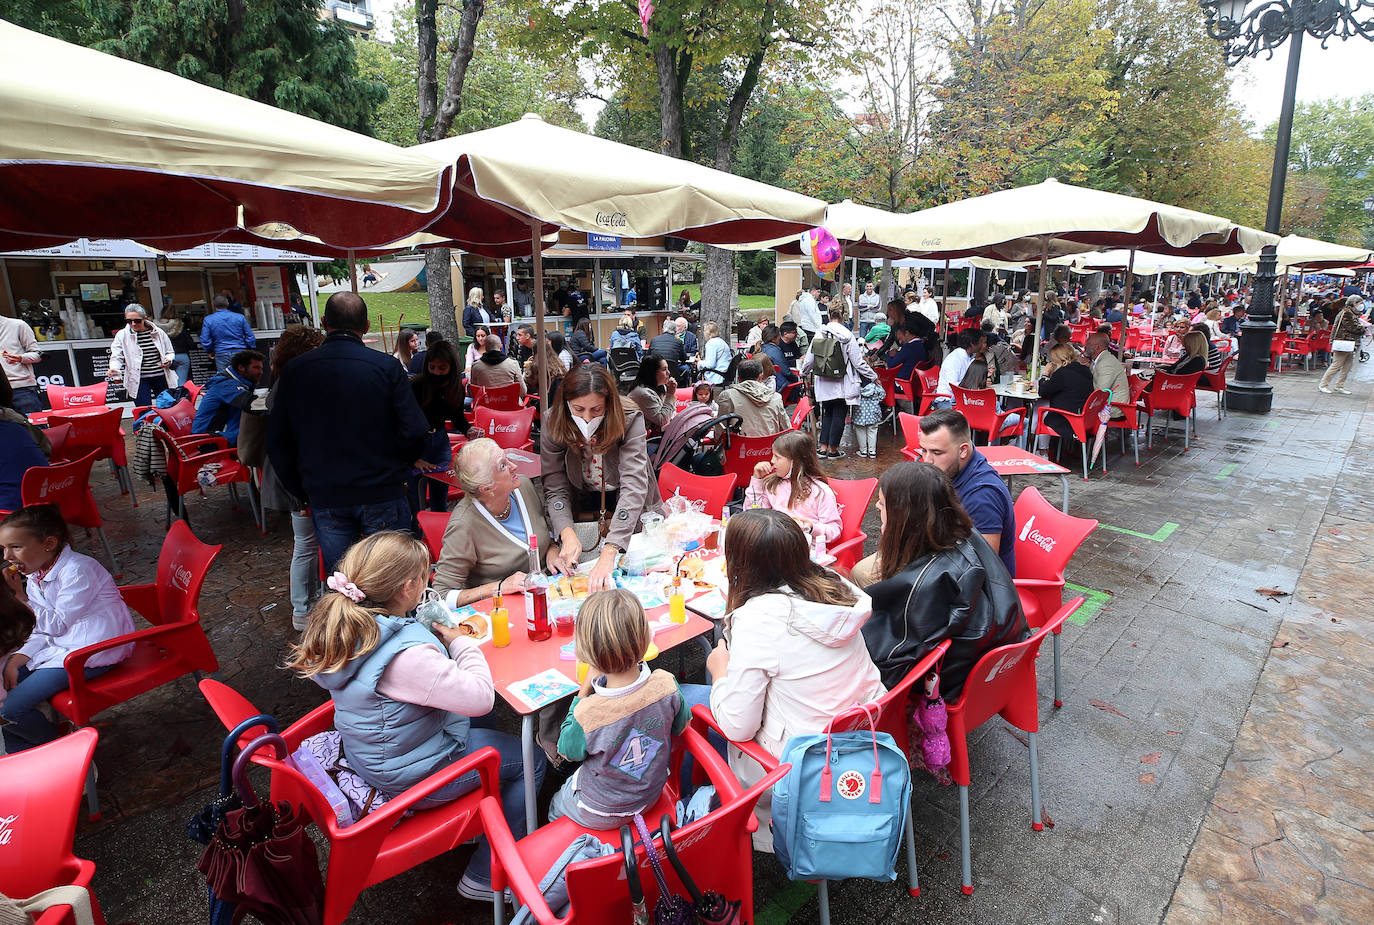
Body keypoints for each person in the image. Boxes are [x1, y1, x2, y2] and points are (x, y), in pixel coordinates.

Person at [285, 531, 541, 902]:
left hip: (373, 754)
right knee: (528, 761)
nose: (430, 580)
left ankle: (483, 822)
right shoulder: (406, 656)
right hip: (409, 774)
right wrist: (458, 641)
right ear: (407, 588)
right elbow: (483, 697)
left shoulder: (354, 626)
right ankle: (486, 875)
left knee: (480, 725)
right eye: (425, 576)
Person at [693, 510, 885, 849]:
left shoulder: (759, 619)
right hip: (855, 742)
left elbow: (738, 727)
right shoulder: (833, 588)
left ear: (741, 565)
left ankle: (701, 821)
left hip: (798, 769)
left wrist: (720, 670)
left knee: (679, 702)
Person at [268, 292, 428, 571]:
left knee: (344, 582)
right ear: (365, 327)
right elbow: (414, 430)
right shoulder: (386, 367)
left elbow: (278, 441)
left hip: (328, 492)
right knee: (391, 579)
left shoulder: (295, 370)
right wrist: (398, 469)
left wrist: (302, 489)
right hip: (380, 489)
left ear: (323, 322)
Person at [858, 462, 1026, 696]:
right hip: (984, 657)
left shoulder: (923, 586)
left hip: (948, 682)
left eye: (883, 504)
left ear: (904, 516)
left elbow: (886, 661)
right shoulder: (966, 535)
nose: (876, 506)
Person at [0, 504, 135, 752]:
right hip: (64, 647)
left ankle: (63, 750)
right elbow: (39, 628)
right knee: (2, 686)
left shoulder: (78, 571)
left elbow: (58, 624)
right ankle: (22, 755)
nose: (7, 556)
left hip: (92, 652)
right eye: (4, 548)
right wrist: (17, 660)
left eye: (16, 547)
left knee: (10, 708)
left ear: (48, 544)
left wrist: (21, 600)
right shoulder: (35, 576)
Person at [551, 589, 689, 828]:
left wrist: (583, 693)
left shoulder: (588, 713)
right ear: (645, 639)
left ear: (586, 653)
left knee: (554, 805)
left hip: (601, 811)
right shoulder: (666, 684)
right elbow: (682, 726)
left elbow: (566, 751)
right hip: (650, 796)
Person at [541, 365, 661, 591]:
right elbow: (554, 484)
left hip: (627, 502)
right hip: (582, 499)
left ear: (608, 404)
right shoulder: (553, 421)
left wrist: (610, 549)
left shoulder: (629, 418)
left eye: (596, 410)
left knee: (630, 578)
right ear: (566, 404)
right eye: (578, 409)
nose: (587, 418)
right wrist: (566, 533)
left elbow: (634, 486)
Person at [258, 327, 326, 631]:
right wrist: (300, 493)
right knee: (306, 544)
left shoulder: (284, 377)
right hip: (297, 479)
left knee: (306, 543)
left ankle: (307, 604)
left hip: (296, 477)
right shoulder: (292, 382)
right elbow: (290, 442)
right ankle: (302, 609)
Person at [432, 438, 552, 604]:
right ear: (487, 488)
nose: (514, 466)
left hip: (548, 595)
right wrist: (499, 587)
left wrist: (553, 551)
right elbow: (441, 595)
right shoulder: (464, 524)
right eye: (503, 465)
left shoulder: (523, 486)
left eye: (507, 458)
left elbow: (544, 534)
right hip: (502, 611)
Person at [915, 409, 1016, 577]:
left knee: (868, 576)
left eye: (937, 452)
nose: (927, 460)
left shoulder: (982, 496)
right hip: (947, 564)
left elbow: (983, 568)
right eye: (924, 450)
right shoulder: (953, 470)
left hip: (980, 591)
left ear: (963, 450)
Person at [409, 340, 477, 516]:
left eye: (442, 368)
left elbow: (457, 416)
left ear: (451, 368)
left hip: (440, 440)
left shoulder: (455, 387)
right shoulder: (417, 385)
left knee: (440, 496)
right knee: (417, 499)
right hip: (416, 443)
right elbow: (404, 421)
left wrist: (468, 430)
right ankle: (418, 534)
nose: (436, 372)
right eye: (432, 367)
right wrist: (413, 458)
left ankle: (438, 532)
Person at [801, 305, 876, 459]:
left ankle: (822, 448)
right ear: (843, 317)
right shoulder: (847, 335)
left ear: (829, 315)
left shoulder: (819, 333)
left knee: (827, 412)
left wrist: (803, 373)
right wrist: (873, 376)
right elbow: (858, 363)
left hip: (823, 380)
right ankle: (833, 450)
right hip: (842, 381)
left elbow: (810, 358)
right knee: (839, 415)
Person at [743, 430, 842, 545]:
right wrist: (757, 480)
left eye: (777, 457)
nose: (772, 461)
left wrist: (812, 527)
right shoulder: (772, 485)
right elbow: (752, 514)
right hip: (775, 545)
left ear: (796, 462)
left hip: (807, 550)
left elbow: (834, 529)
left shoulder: (820, 491)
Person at [191, 348, 264, 446]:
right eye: (256, 368)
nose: (261, 372)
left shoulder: (239, 383)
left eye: (261, 368)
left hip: (220, 435)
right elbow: (250, 403)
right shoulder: (226, 385)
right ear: (241, 367)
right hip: (207, 441)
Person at [107, 305, 176, 406]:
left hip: (161, 376)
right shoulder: (122, 335)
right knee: (143, 410)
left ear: (145, 318)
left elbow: (169, 352)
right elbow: (117, 355)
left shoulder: (158, 332)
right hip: (139, 379)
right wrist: (114, 368)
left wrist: (168, 360)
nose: (133, 324)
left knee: (166, 407)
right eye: (129, 321)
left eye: (137, 321)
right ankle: (144, 422)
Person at [1035, 344, 1095, 454]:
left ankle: (1043, 451)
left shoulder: (1062, 373)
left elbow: (1043, 391)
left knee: (1040, 411)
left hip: (1068, 420)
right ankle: (1045, 449)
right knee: (1043, 407)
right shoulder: (1085, 370)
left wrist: (1045, 374)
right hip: (1085, 419)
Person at [714, 358, 785, 438]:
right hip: (770, 447)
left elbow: (720, 429)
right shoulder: (776, 397)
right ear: (760, 377)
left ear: (739, 379)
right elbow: (786, 428)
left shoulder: (727, 396)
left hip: (739, 448)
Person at [199, 294, 258, 375]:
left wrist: (210, 351)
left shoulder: (208, 319)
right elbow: (250, 336)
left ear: (213, 305)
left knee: (225, 380)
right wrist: (250, 348)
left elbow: (205, 339)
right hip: (240, 352)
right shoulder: (240, 317)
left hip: (221, 353)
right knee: (243, 377)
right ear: (228, 304)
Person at [1319, 294, 1365, 395]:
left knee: (1348, 365)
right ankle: (1323, 384)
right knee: (1337, 364)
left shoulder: (1352, 313)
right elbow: (1353, 328)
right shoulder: (1346, 313)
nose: (1362, 305)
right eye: (1360, 303)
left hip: (1350, 343)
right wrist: (1363, 327)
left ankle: (1339, 385)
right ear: (1354, 303)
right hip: (1344, 342)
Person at [0, 312, 42, 415]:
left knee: (33, 429)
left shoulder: (18, 325)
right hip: (2, 391)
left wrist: (20, 358)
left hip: (22, 389)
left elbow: (37, 354)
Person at [627, 355, 678, 433]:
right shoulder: (642, 393)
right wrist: (670, 395)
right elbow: (662, 420)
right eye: (664, 369)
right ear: (652, 373)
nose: (668, 372)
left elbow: (671, 412)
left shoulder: (661, 387)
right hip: (641, 439)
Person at [933, 329, 981, 409]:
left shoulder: (969, 357)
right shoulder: (955, 358)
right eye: (982, 343)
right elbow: (952, 386)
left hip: (961, 398)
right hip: (947, 400)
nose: (984, 346)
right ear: (972, 344)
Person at [1085, 332, 1129, 420]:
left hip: (1113, 409)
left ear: (1097, 347)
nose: (1085, 345)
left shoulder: (1106, 363)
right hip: (1109, 404)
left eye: (1088, 343)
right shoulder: (1102, 359)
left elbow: (1100, 392)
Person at [155, 304, 196, 387]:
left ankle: (172, 398)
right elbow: (190, 343)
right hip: (182, 356)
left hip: (165, 359)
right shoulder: (180, 325)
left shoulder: (155, 327)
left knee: (168, 384)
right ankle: (180, 398)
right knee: (181, 384)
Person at [523, 335, 569, 407]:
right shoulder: (558, 362)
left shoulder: (536, 367)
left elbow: (529, 383)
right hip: (559, 402)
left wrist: (527, 369)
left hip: (543, 403)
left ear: (534, 352)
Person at [758, 324, 798, 394]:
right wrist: (796, 378)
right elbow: (785, 371)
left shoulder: (761, 347)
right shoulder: (775, 350)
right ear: (774, 338)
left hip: (763, 384)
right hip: (778, 387)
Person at [699, 321, 733, 386]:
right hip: (725, 372)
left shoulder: (711, 344)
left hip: (717, 375)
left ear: (708, 332)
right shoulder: (721, 341)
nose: (703, 333)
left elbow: (710, 365)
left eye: (704, 331)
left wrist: (699, 362)